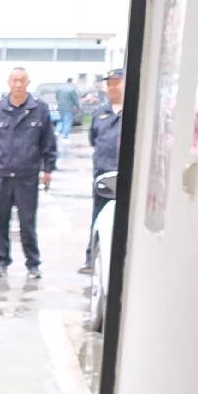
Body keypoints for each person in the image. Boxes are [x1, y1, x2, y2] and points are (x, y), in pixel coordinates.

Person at [0, 66, 57, 281]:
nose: (18, 85)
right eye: (14, 81)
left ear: (28, 83)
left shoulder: (39, 110)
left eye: (22, 80)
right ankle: (2, 262)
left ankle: (33, 264)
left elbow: (48, 142)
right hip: (2, 175)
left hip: (27, 176)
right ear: (9, 83)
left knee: (27, 223)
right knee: (1, 222)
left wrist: (48, 169)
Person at [81, 67, 126, 274]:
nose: (112, 87)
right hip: (103, 174)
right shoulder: (100, 114)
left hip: (124, 176)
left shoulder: (134, 114)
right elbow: (94, 140)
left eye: (117, 83)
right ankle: (91, 259)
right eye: (109, 84)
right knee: (98, 216)